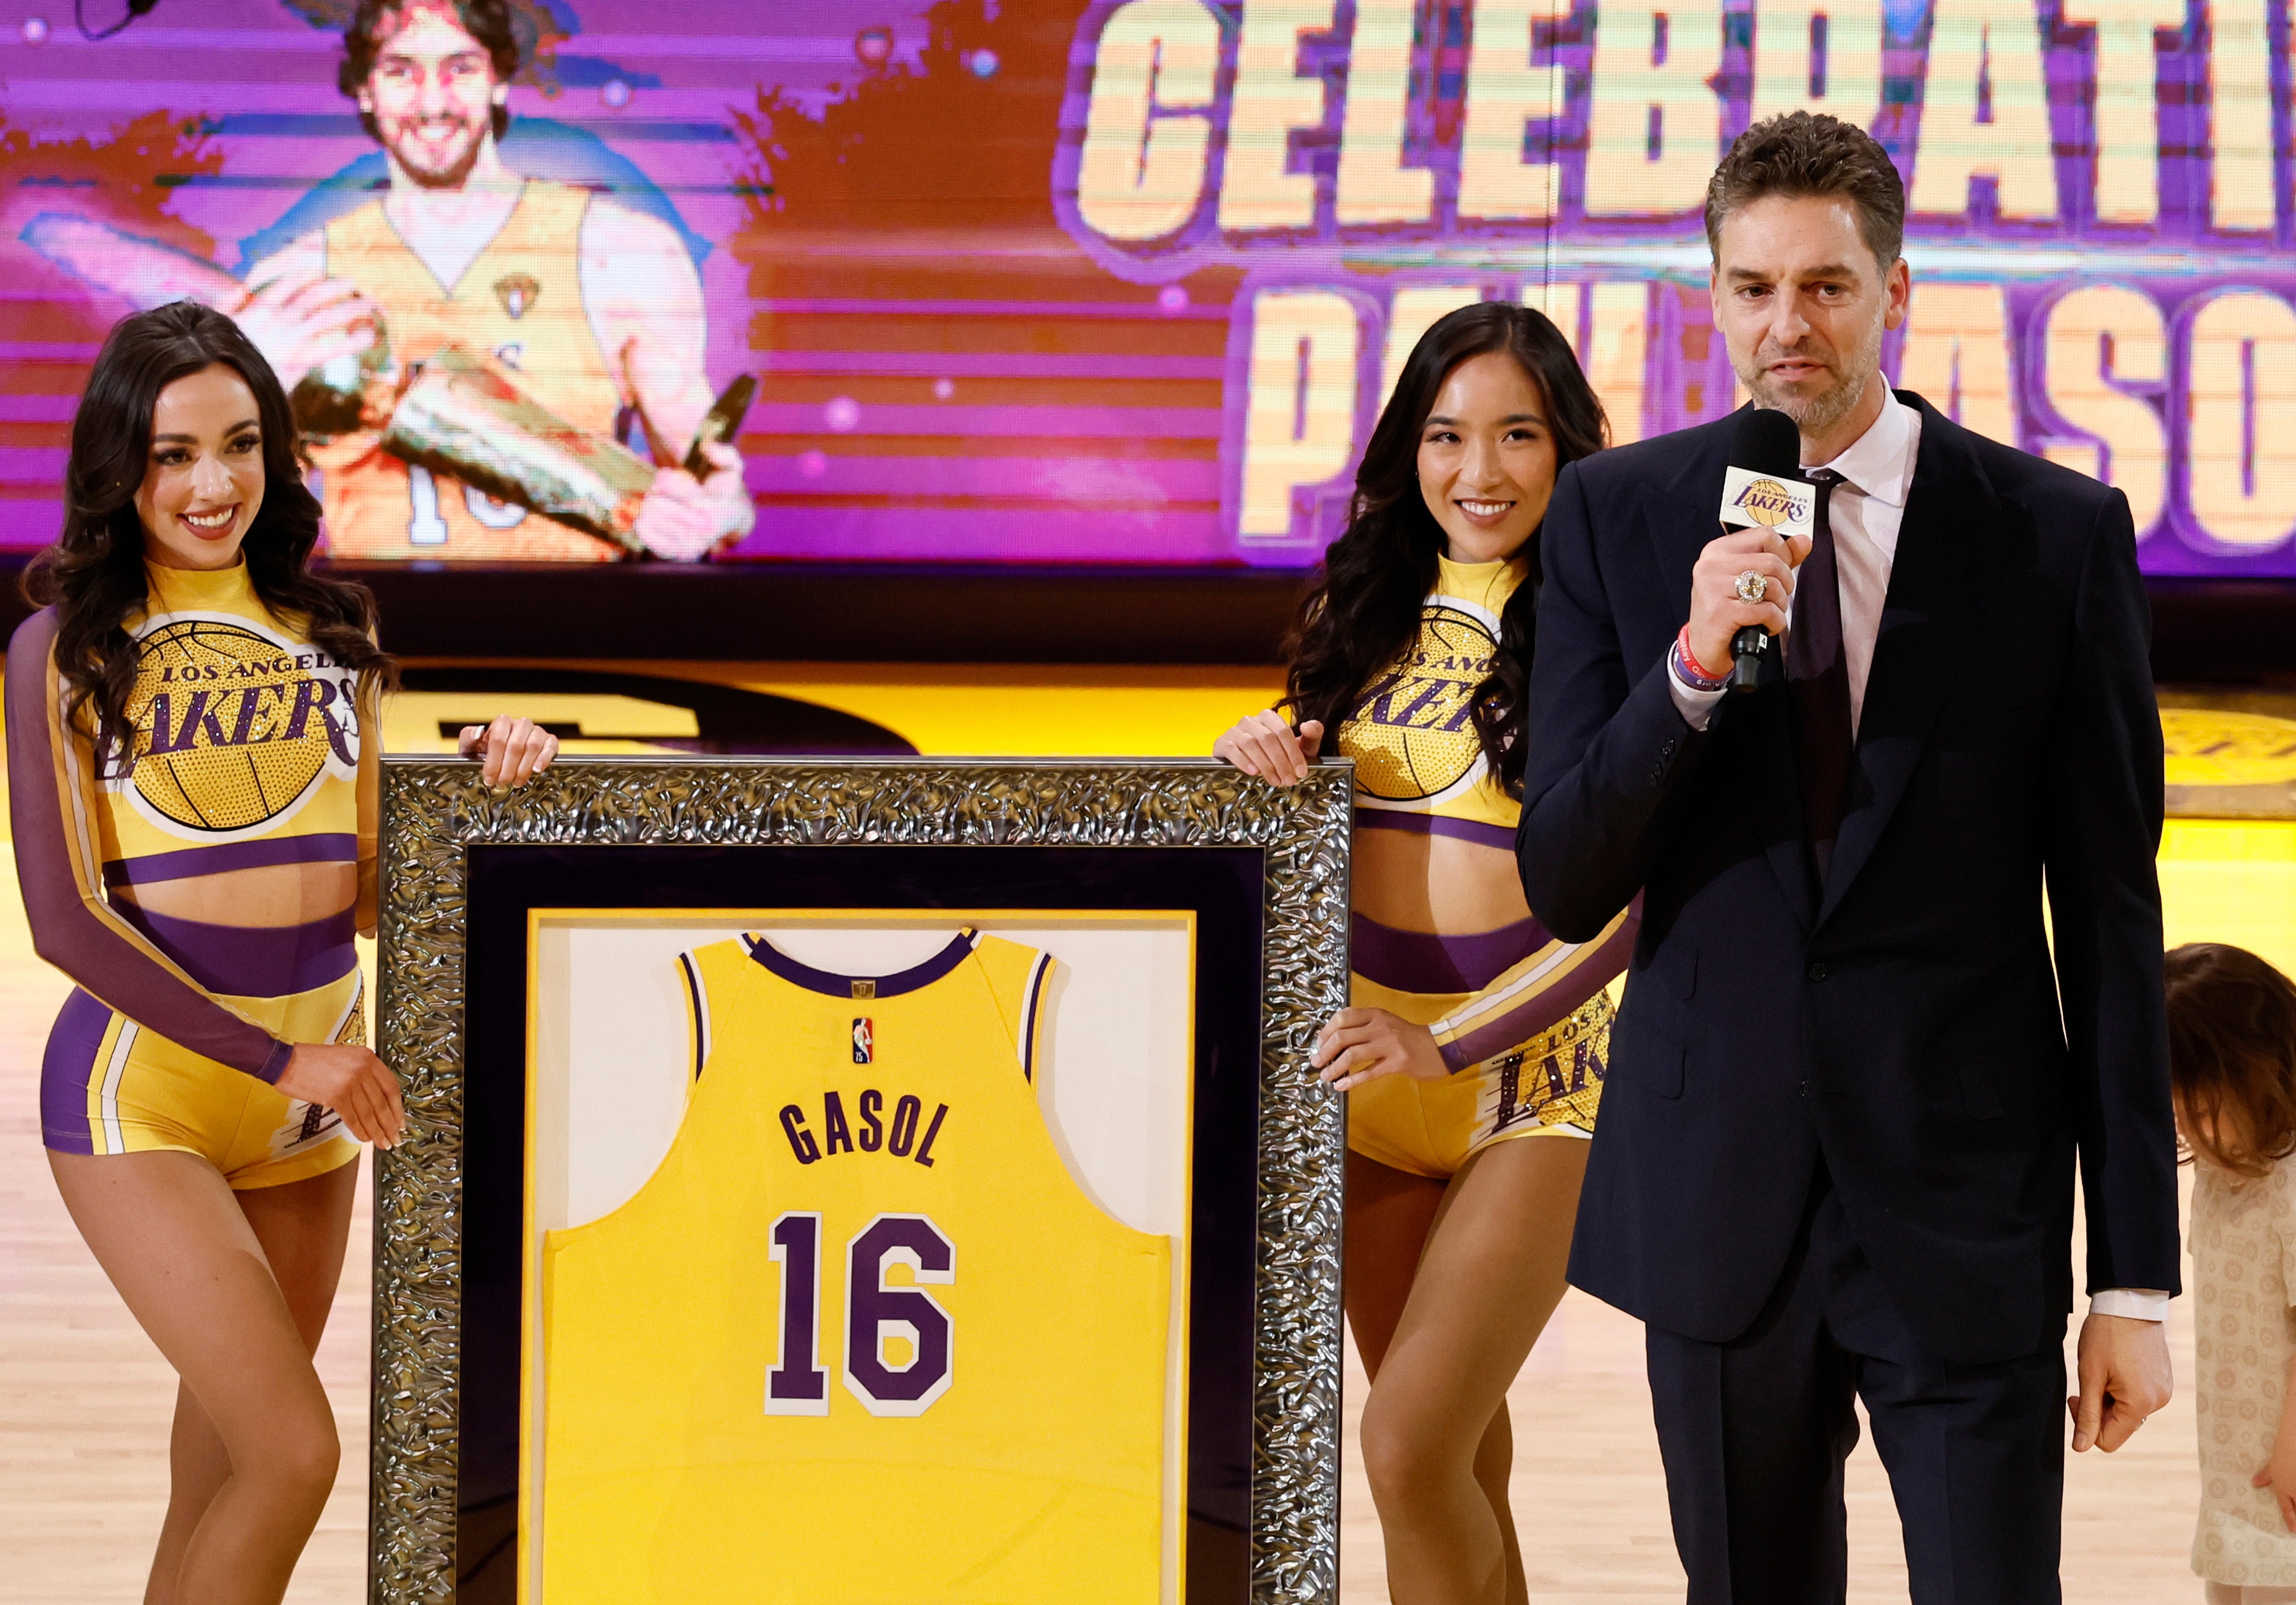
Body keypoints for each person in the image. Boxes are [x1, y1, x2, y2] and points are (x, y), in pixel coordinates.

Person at [1516, 111, 2180, 1600]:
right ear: (1715, 295)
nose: (1786, 324)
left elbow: (2112, 924)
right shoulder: (1617, 518)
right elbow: (1564, 872)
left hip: (1967, 1209)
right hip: (1717, 1210)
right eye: (1752, 287)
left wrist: (2131, 1281)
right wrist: (1689, 665)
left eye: (1824, 285)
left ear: (1897, 291)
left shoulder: (2054, 535)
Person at [7, 300, 559, 1605]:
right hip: (146, 1097)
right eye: (172, 455)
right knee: (295, 1453)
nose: (212, 484)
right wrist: (278, 1056)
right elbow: (60, 918)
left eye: (240, 445)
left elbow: (372, 895)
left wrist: (485, 779)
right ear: (120, 470)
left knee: (220, 1480)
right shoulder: (64, 648)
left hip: (309, 1110)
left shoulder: (333, 630)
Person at [1215, 301, 1630, 1604]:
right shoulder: (1363, 607)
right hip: (1367, 1091)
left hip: (1542, 1089)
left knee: (1400, 1449)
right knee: (1459, 1463)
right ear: (1411, 451)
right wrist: (1256, 759)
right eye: (1448, 436)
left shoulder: (1606, 622)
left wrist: (1447, 1039)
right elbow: (1307, 828)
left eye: (1518, 434)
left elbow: (1632, 902)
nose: (1481, 471)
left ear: (1568, 449)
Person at [232, 0, 750, 562]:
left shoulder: (619, 252)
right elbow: (240, 514)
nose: (433, 102)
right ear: (365, 90)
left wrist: (721, 511)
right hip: (386, 637)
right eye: (401, 71)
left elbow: (708, 493)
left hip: (577, 631)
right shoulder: (302, 283)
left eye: (461, 68)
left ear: (500, 81)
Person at [2168, 943, 2296, 1603]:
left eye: (2201, 1109)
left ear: (2262, 1073)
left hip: (2286, 1461)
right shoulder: (2226, 1174)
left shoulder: (2290, 1182)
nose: (2186, 1127)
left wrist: (2292, 1447)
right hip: (2236, 1458)